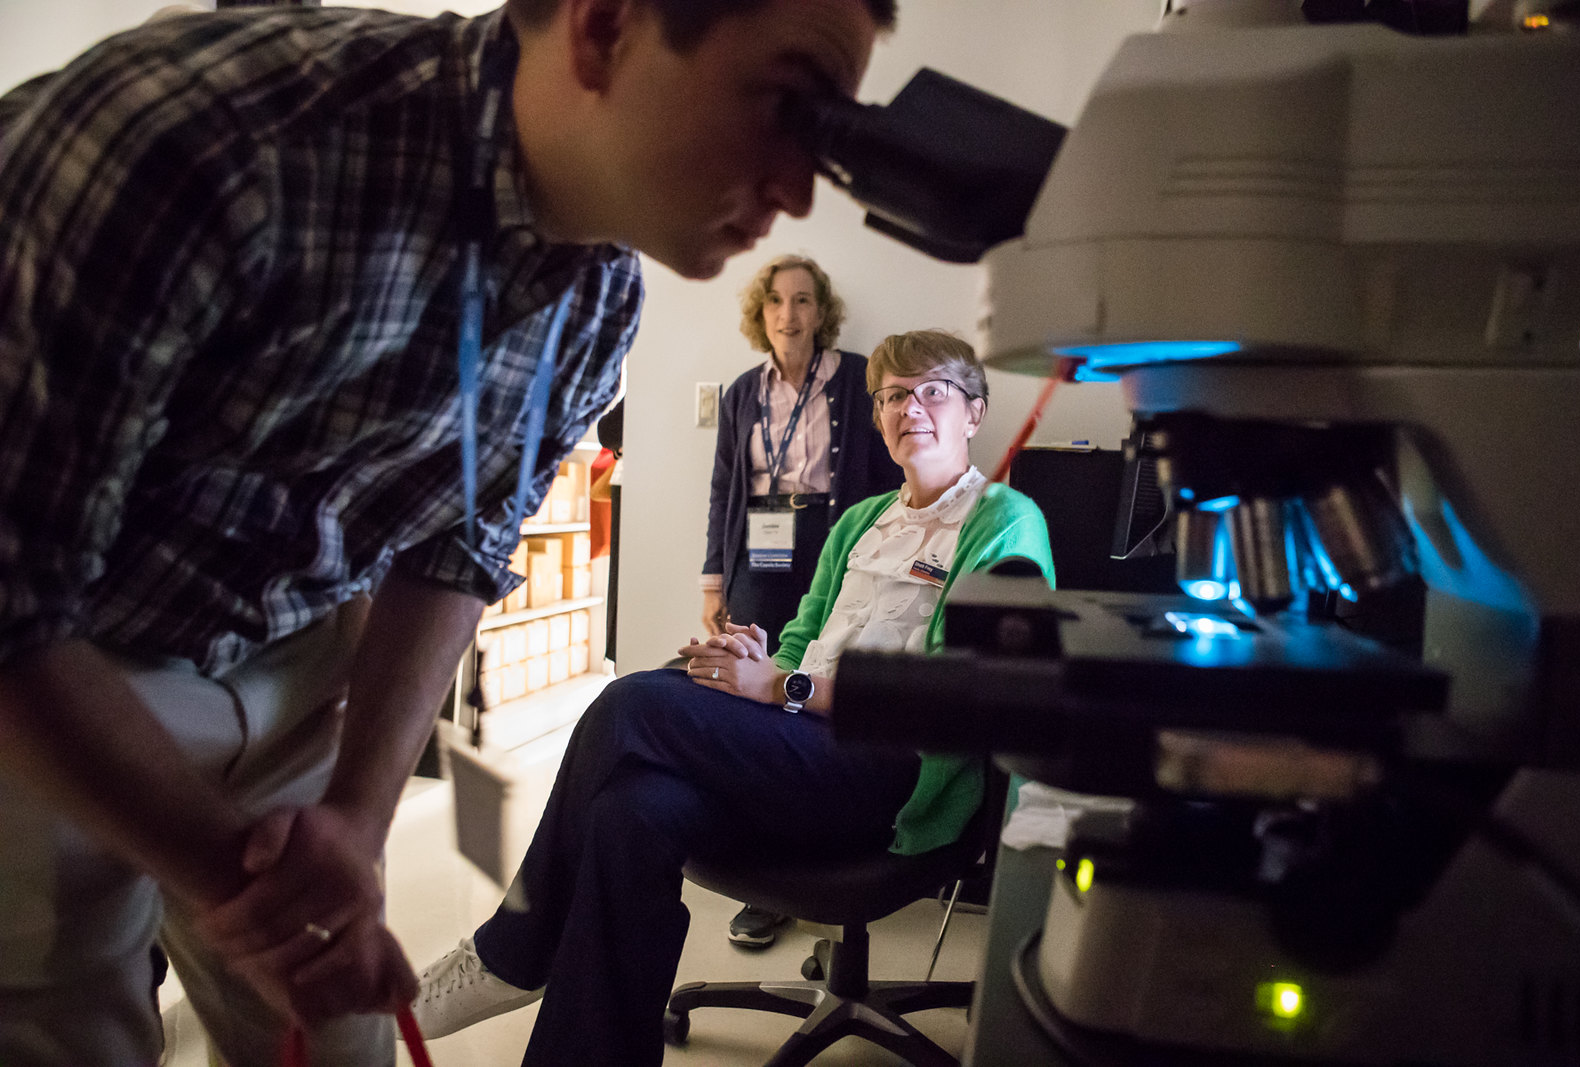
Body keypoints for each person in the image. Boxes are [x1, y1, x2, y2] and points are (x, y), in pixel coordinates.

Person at [0, 1, 894, 1065]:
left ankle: (514, 948)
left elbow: (459, 545)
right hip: (60, 671)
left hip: (293, 649)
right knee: (70, 1029)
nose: (797, 191)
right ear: (605, 29)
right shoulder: (200, 148)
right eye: (784, 104)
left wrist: (355, 826)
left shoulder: (599, 299)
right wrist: (240, 878)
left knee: (333, 1037)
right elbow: (12, 596)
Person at [411, 329, 1055, 1066]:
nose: (911, 407)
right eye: (893, 395)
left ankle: (514, 951)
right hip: (800, 749)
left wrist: (782, 686)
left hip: (893, 777)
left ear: (974, 412)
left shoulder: (1005, 520)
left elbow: (959, 699)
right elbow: (802, 638)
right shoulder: (858, 521)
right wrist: (756, 661)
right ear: (878, 417)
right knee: (633, 810)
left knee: (632, 704)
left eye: (933, 390)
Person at [700, 253, 900, 947]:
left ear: (822, 311)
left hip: (832, 538)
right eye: (777, 302)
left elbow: (883, 474)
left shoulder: (854, 377)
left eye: (804, 300)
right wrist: (713, 580)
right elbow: (726, 488)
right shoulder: (740, 393)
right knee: (754, 696)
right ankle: (767, 878)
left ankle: (834, 852)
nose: (790, 314)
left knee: (819, 686)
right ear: (762, 314)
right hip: (758, 548)